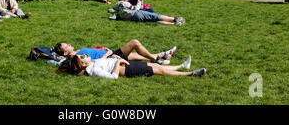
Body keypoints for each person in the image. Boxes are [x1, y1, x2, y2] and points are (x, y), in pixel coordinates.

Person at [56, 54, 206, 79]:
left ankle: (181, 66)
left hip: (124, 64)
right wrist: (116, 62)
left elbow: (104, 62)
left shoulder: (92, 64)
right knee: (159, 70)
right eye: (82, 57)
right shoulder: (93, 70)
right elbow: (113, 77)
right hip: (127, 70)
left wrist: (113, 57)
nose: (84, 55)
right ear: (82, 65)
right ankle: (191, 74)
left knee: (154, 64)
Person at [54, 39, 183, 66]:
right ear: (65, 53)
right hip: (111, 57)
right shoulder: (77, 57)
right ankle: (157, 59)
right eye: (67, 46)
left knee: (138, 56)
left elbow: (93, 54)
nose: (70, 44)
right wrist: (108, 52)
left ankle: (163, 54)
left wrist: (100, 48)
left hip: (109, 54)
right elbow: (93, 62)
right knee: (134, 43)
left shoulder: (78, 52)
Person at [113, 0, 186, 25]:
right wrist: (139, 3)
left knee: (154, 21)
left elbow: (112, 10)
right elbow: (135, 9)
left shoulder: (116, 6)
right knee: (155, 16)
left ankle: (173, 24)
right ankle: (175, 19)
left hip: (132, 19)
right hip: (136, 14)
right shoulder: (125, 3)